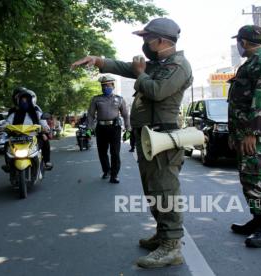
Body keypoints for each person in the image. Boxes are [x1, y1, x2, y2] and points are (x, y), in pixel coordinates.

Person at [72, 17, 193, 268]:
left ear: (160, 41)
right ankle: (162, 234)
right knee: (152, 189)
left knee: (165, 189)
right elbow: (126, 67)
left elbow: (157, 91)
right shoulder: (158, 64)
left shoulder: (179, 65)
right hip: (148, 136)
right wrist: (98, 60)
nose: (144, 43)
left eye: (147, 39)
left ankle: (172, 246)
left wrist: (140, 74)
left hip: (164, 135)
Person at [228, 25, 261, 248]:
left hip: (252, 135)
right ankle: (257, 220)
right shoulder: (250, 64)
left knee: (257, 179)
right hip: (243, 133)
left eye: (239, 41)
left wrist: (252, 133)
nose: (239, 45)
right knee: (248, 178)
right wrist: (235, 134)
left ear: (245, 42)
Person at [86, 75, 130, 184]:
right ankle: (106, 171)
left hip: (115, 128)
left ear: (113, 86)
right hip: (100, 128)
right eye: (103, 86)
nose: (105, 87)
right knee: (102, 151)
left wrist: (128, 129)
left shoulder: (119, 99)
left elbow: (125, 115)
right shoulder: (96, 99)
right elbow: (90, 115)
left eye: (108, 85)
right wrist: (89, 128)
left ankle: (114, 175)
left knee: (115, 152)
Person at [3, 87, 53, 170]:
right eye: (22, 99)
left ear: (30, 100)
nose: (24, 102)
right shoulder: (14, 113)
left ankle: (47, 161)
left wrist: (45, 129)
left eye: (26, 99)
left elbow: (43, 122)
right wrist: (4, 127)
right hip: (17, 137)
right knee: (7, 144)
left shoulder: (36, 111)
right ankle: (8, 164)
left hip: (33, 136)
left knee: (45, 140)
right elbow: (7, 122)